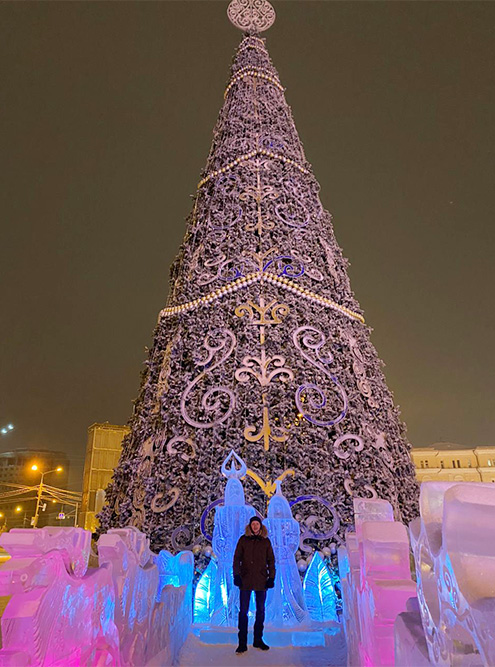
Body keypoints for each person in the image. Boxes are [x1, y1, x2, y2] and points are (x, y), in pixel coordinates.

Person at [233, 516, 275, 654]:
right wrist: (237, 575)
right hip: (245, 580)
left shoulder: (265, 541)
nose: (255, 526)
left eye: (257, 524)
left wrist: (271, 578)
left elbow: (271, 561)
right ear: (250, 526)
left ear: (260, 526)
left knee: (261, 611)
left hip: (261, 580)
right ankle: (242, 643)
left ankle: (258, 640)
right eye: (253, 524)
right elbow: (237, 558)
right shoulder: (243, 540)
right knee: (243, 611)